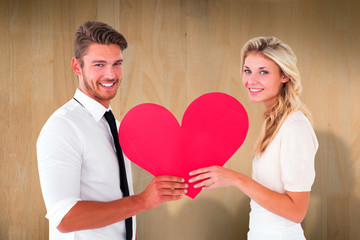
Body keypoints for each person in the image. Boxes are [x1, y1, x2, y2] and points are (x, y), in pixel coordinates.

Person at [37, 21, 188, 240]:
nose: (111, 74)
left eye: (117, 63)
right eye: (99, 64)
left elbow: (120, 198)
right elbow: (64, 218)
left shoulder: (116, 127)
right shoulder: (62, 127)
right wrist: (144, 200)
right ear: (76, 66)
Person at [189, 36, 318, 239]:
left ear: (285, 76)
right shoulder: (273, 122)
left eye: (263, 72)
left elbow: (296, 212)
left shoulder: (295, 126)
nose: (251, 80)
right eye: (247, 70)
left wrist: (236, 179)